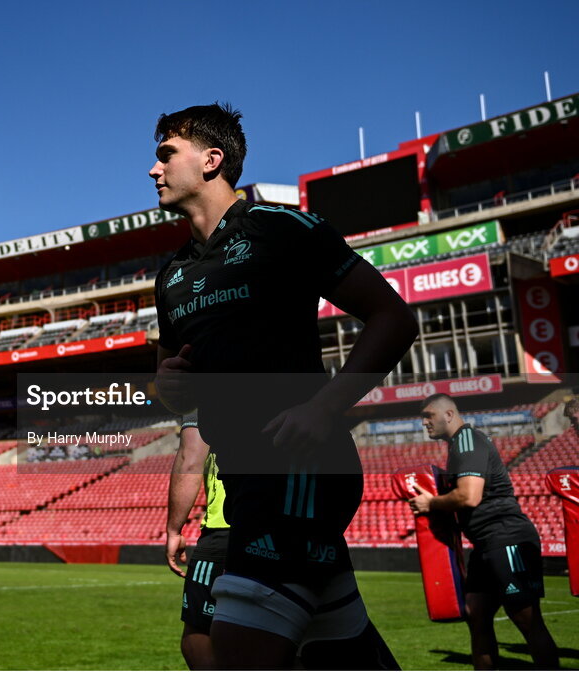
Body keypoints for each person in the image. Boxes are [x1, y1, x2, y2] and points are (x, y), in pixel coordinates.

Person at [151, 103, 415, 669]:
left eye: (166, 154)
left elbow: (393, 317)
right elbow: (172, 381)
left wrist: (325, 407)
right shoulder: (170, 276)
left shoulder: (282, 229)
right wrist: (169, 386)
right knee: (339, 645)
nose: (154, 169)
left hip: (299, 467)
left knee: (237, 653)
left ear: (211, 160)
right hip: (245, 479)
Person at [409, 394, 558, 669]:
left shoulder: (467, 440)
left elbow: (469, 496)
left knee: (527, 619)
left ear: (449, 415)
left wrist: (430, 503)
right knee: (475, 613)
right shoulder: (458, 446)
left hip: (506, 537)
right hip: (486, 543)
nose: (424, 422)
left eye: (429, 415)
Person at [166, 414, 228, 670]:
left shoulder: (210, 387)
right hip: (294, 525)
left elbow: (191, 459)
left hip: (226, 528)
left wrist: (173, 530)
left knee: (198, 634)